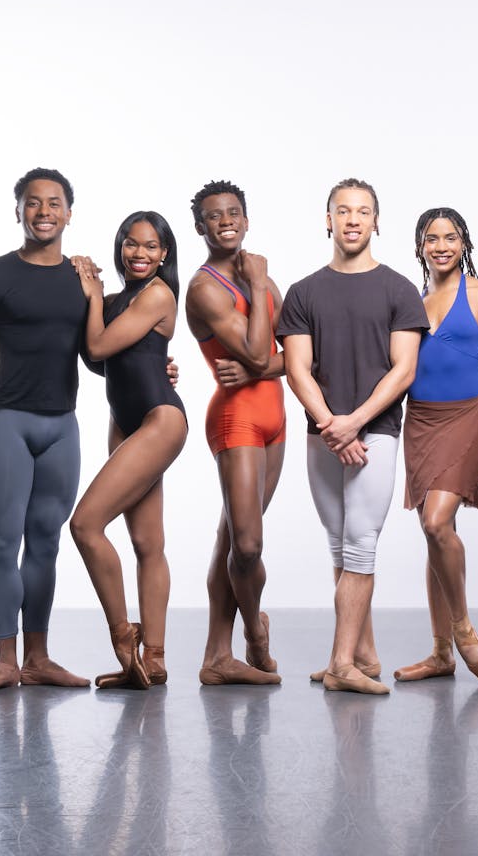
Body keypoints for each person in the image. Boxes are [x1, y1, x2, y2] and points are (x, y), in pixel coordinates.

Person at [280, 178, 429, 695]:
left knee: (361, 546)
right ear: (328, 220)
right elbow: (297, 369)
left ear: (376, 222)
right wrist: (330, 424)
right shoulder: (303, 292)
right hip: (323, 434)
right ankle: (362, 653)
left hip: (377, 433)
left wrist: (353, 422)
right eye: (342, 211)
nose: (352, 219)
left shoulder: (399, 289)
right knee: (339, 547)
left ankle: (341, 663)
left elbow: (403, 369)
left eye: (362, 211)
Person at [0, 167, 99, 695]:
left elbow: (95, 355)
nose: (44, 212)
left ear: (68, 212)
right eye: (33, 203)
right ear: (17, 211)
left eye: (54, 203)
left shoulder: (83, 280)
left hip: (63, 425)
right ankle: (4, 661)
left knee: (46, 543)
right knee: (3, 542)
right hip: (8, 423)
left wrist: (157, 367)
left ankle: (38, 658)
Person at [393, 208, 478, 684]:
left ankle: (462, 630)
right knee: (432, 531)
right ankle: (440, 652)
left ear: (463, 241)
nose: (441, 246)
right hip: (419, 420)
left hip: (468, 415)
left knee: (438, 520)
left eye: (450, 237)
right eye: (431, 238)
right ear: (420, 245)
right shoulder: (410, 303)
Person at [69, 211, 188, 689]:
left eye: (151, 246)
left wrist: (92, 295)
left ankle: (125, 640)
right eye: (131, 244)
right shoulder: (119, 300)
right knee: (146, 543)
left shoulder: (159, 294)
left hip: (160, 421)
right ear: (120, 247)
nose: (139, 253)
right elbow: (107, 364)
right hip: (125, 425)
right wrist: (96, 298)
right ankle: (152, 661)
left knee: (85, 524)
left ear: (164, 255)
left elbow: (96, 346)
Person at [185, 179, 288, 686]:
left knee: (231, 537)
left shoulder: (265, 284)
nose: (225, 221)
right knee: (246, 547)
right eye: (213, 215)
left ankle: (215, 657)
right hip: (236, 420)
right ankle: (254, 631)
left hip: (275, 420)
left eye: (233, 213)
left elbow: (298, 358)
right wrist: (258, 280)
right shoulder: (206, 289)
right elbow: (253, 349)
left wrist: (260, 369)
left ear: (246, 220)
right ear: (200, 226)